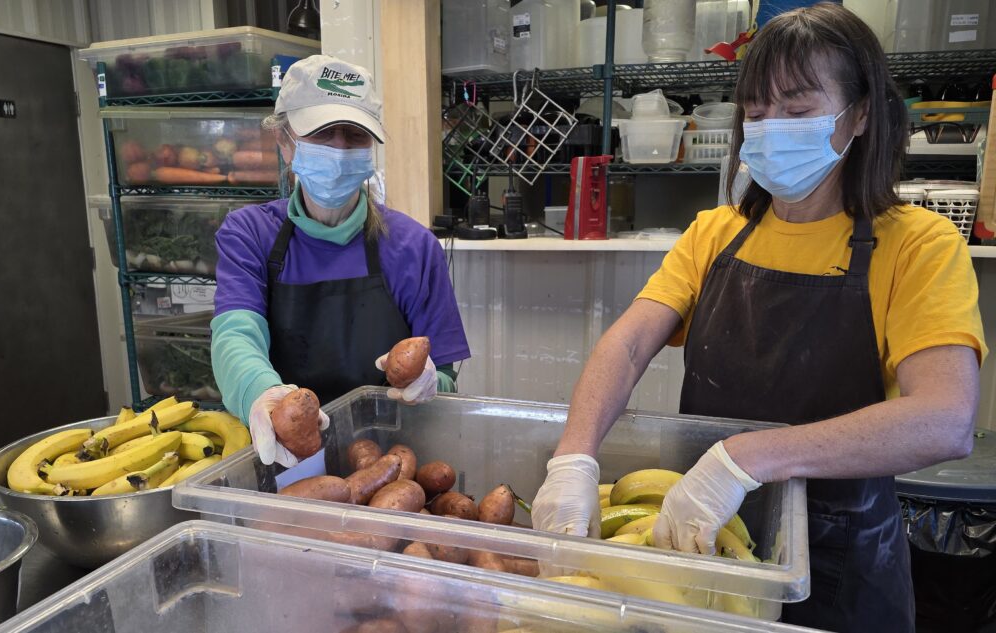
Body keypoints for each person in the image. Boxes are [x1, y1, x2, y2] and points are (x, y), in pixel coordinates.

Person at [530, 4, 985, 631]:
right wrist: (574, 459)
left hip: (843, 566)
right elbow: (629, 345)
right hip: (706, 537)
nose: (770, 130)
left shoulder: (917, 246)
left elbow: (945, 419)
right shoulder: (716, 233)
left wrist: (744, 459)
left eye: (797, 110)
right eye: (757, 112)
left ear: (859, 116)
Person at [211, 55, 470, 468]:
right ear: (284, 141)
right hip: (285, 456)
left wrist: (429, 384)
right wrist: (259, 394)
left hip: (391, 462)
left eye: (355, 135)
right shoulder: (249, 235)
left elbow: (444, 376)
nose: (340, 148)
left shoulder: (413, 247)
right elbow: (235, 335)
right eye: (322, 133)